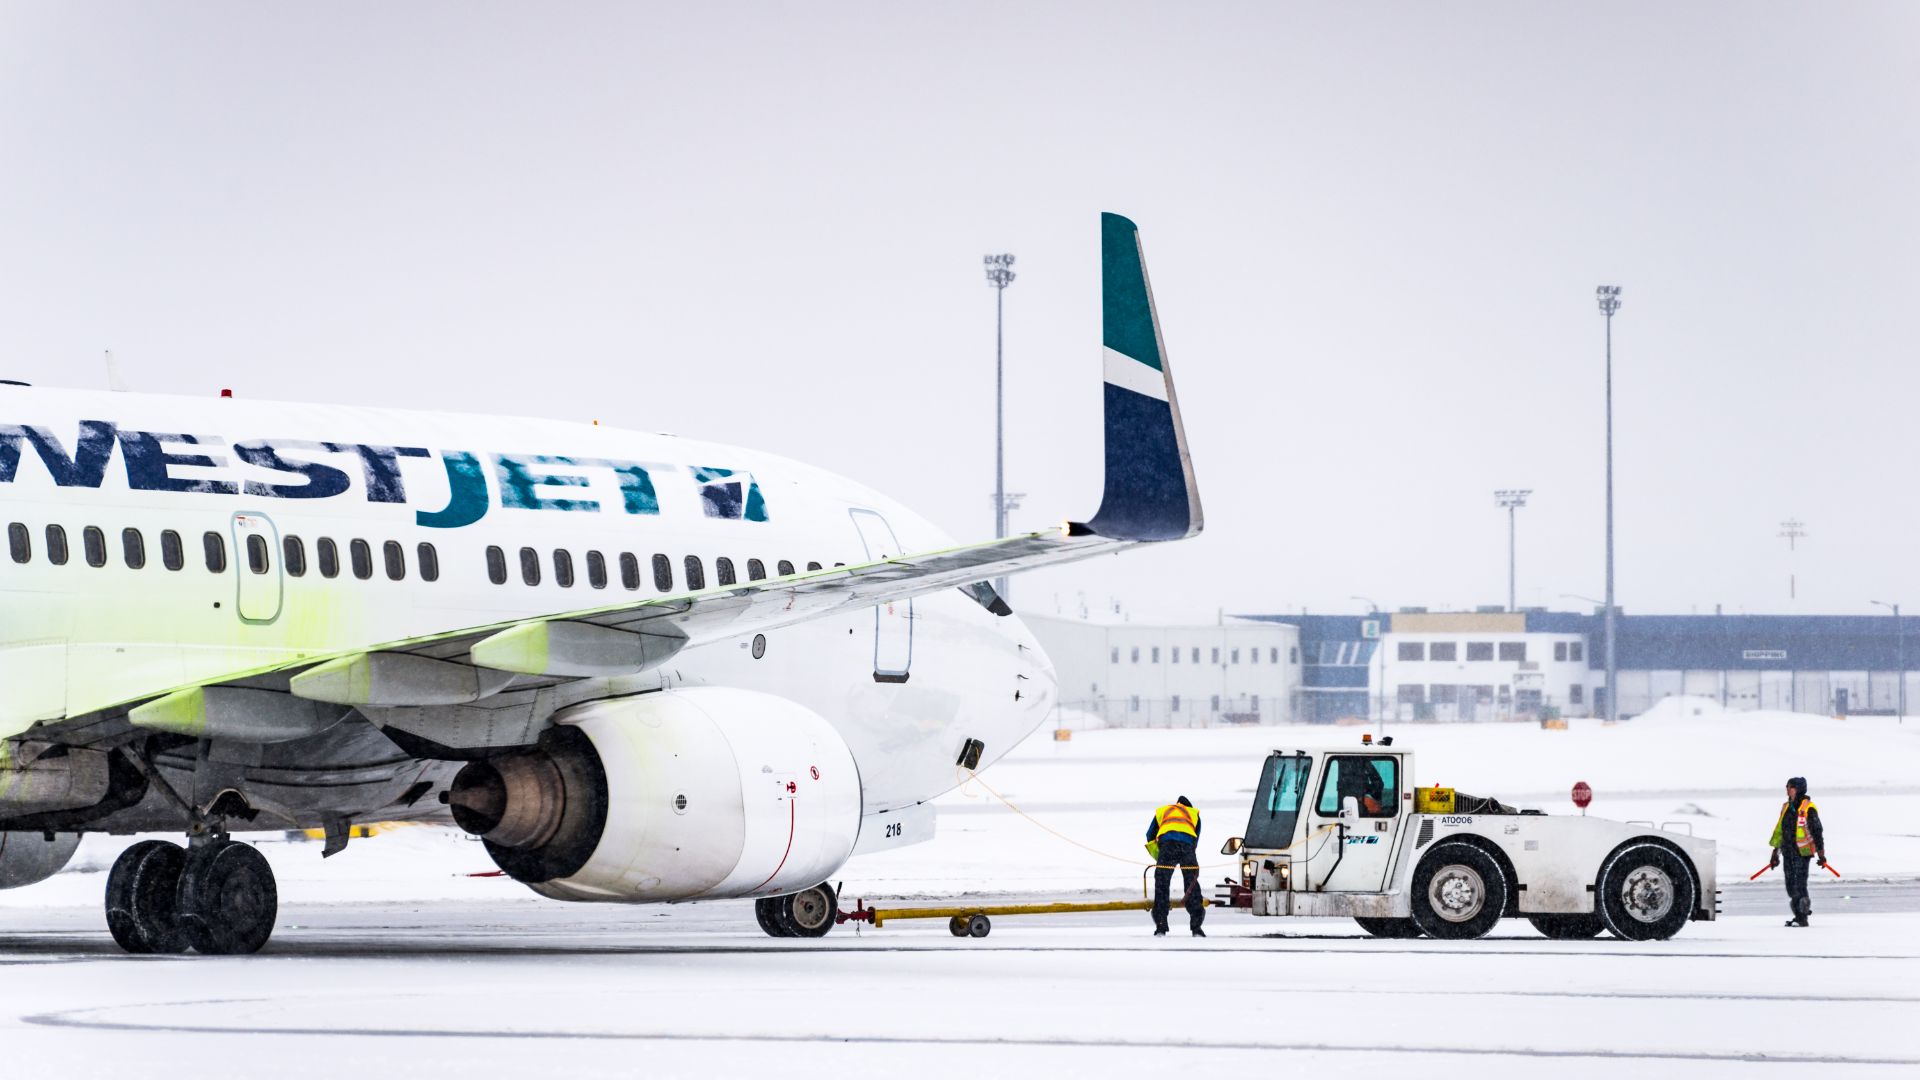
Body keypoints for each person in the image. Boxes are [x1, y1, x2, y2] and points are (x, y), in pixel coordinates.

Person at [1769, 776, 1827, 928]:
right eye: (1787, 786)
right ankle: (1800, 912)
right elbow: (1780, 832)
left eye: (1790, 787)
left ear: (1798, 789)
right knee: (1790, 886)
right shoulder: (1786, 807)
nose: (1787, 789)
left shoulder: (1808, 808)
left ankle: (1802, 916)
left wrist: (1821, 855)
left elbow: (1817, 832)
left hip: (1802, 853)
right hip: (1788, 853)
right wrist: (1775, 853)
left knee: (1799, 885)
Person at [1145, 796, 1205, 937]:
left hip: (1167, 847)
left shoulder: (1164, 811)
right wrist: (1188, 854)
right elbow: (1195, 839)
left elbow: (1150, 835)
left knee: (1162, 884)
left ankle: (1161, 926)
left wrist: (1161, 852)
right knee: (1191, 884)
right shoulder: (1193, 813)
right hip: (1187, 847)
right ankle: (1196, 928)